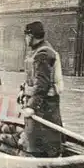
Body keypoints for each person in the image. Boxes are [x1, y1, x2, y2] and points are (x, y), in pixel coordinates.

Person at [18, 21, 64, 158]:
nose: (25, 40)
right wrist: (23, 90)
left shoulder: (43, 53)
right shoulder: (39, 51)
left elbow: (42, 84)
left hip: (45, 104)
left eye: (26, 36)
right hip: (41, 102)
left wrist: (32, 106)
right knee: (40, 137)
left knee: (43, 138)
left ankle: (47, 162)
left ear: (31, 36)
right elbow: (33, 78)